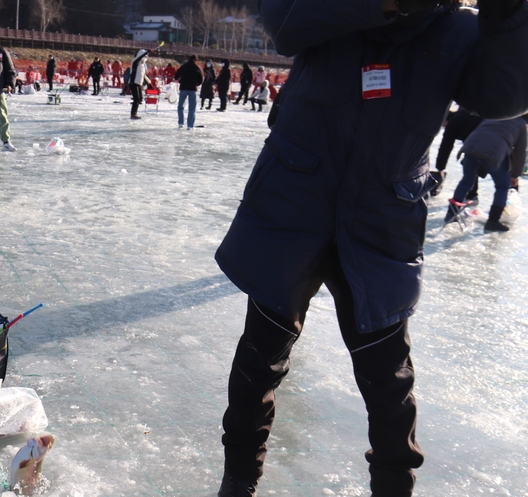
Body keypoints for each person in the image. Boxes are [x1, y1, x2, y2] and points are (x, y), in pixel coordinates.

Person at [214, 1, 528, 496]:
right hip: (294, 208)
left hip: (381, 220)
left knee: (389, 383)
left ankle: (393, 487)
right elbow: (283, 21)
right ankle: (238, 482)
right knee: (259, 361)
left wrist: (508, 16)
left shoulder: (458, 29)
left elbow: (503, 96)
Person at [445, 116, 527, 231]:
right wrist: (515, 175)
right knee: (502, 186)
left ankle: (451, 213)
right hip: (493, 150)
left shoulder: (498, 114)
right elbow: (520, 153)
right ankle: (493, 221)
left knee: (467, 180)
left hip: (470, 146)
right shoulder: (521, 125)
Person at [432, 107, 483, 196]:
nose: (443, 127)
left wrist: (440, 167)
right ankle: (472, 192)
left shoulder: (453, 122)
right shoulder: (461, 114)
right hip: (489, 129)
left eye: (442, 125)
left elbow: (445, 147)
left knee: (471, 164)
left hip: (480, 136)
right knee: (473, 163)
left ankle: (471, 194)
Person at [174, 55, 203, 130]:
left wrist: (180, 80)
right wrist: (196, 84)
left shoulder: (184, 66)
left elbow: (176, 76)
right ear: (196, 60)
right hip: (193, 89)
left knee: (180, 107)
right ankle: (190, 125)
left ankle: (181, 123)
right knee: (192, 108)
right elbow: (201, 79)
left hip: (183, 88)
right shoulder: (197, 67)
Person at [129, 49, 152, 120]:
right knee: (136, 99)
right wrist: (147, 52)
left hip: (139, 83)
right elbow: (138, 58)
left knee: (140, 99)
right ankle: (133, 114)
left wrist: (150, 83)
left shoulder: (142, 65)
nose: (145, 58)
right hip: (133, 82)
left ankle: (134, 112)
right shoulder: (135, 62)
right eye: (144, 56)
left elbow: (143, 75)